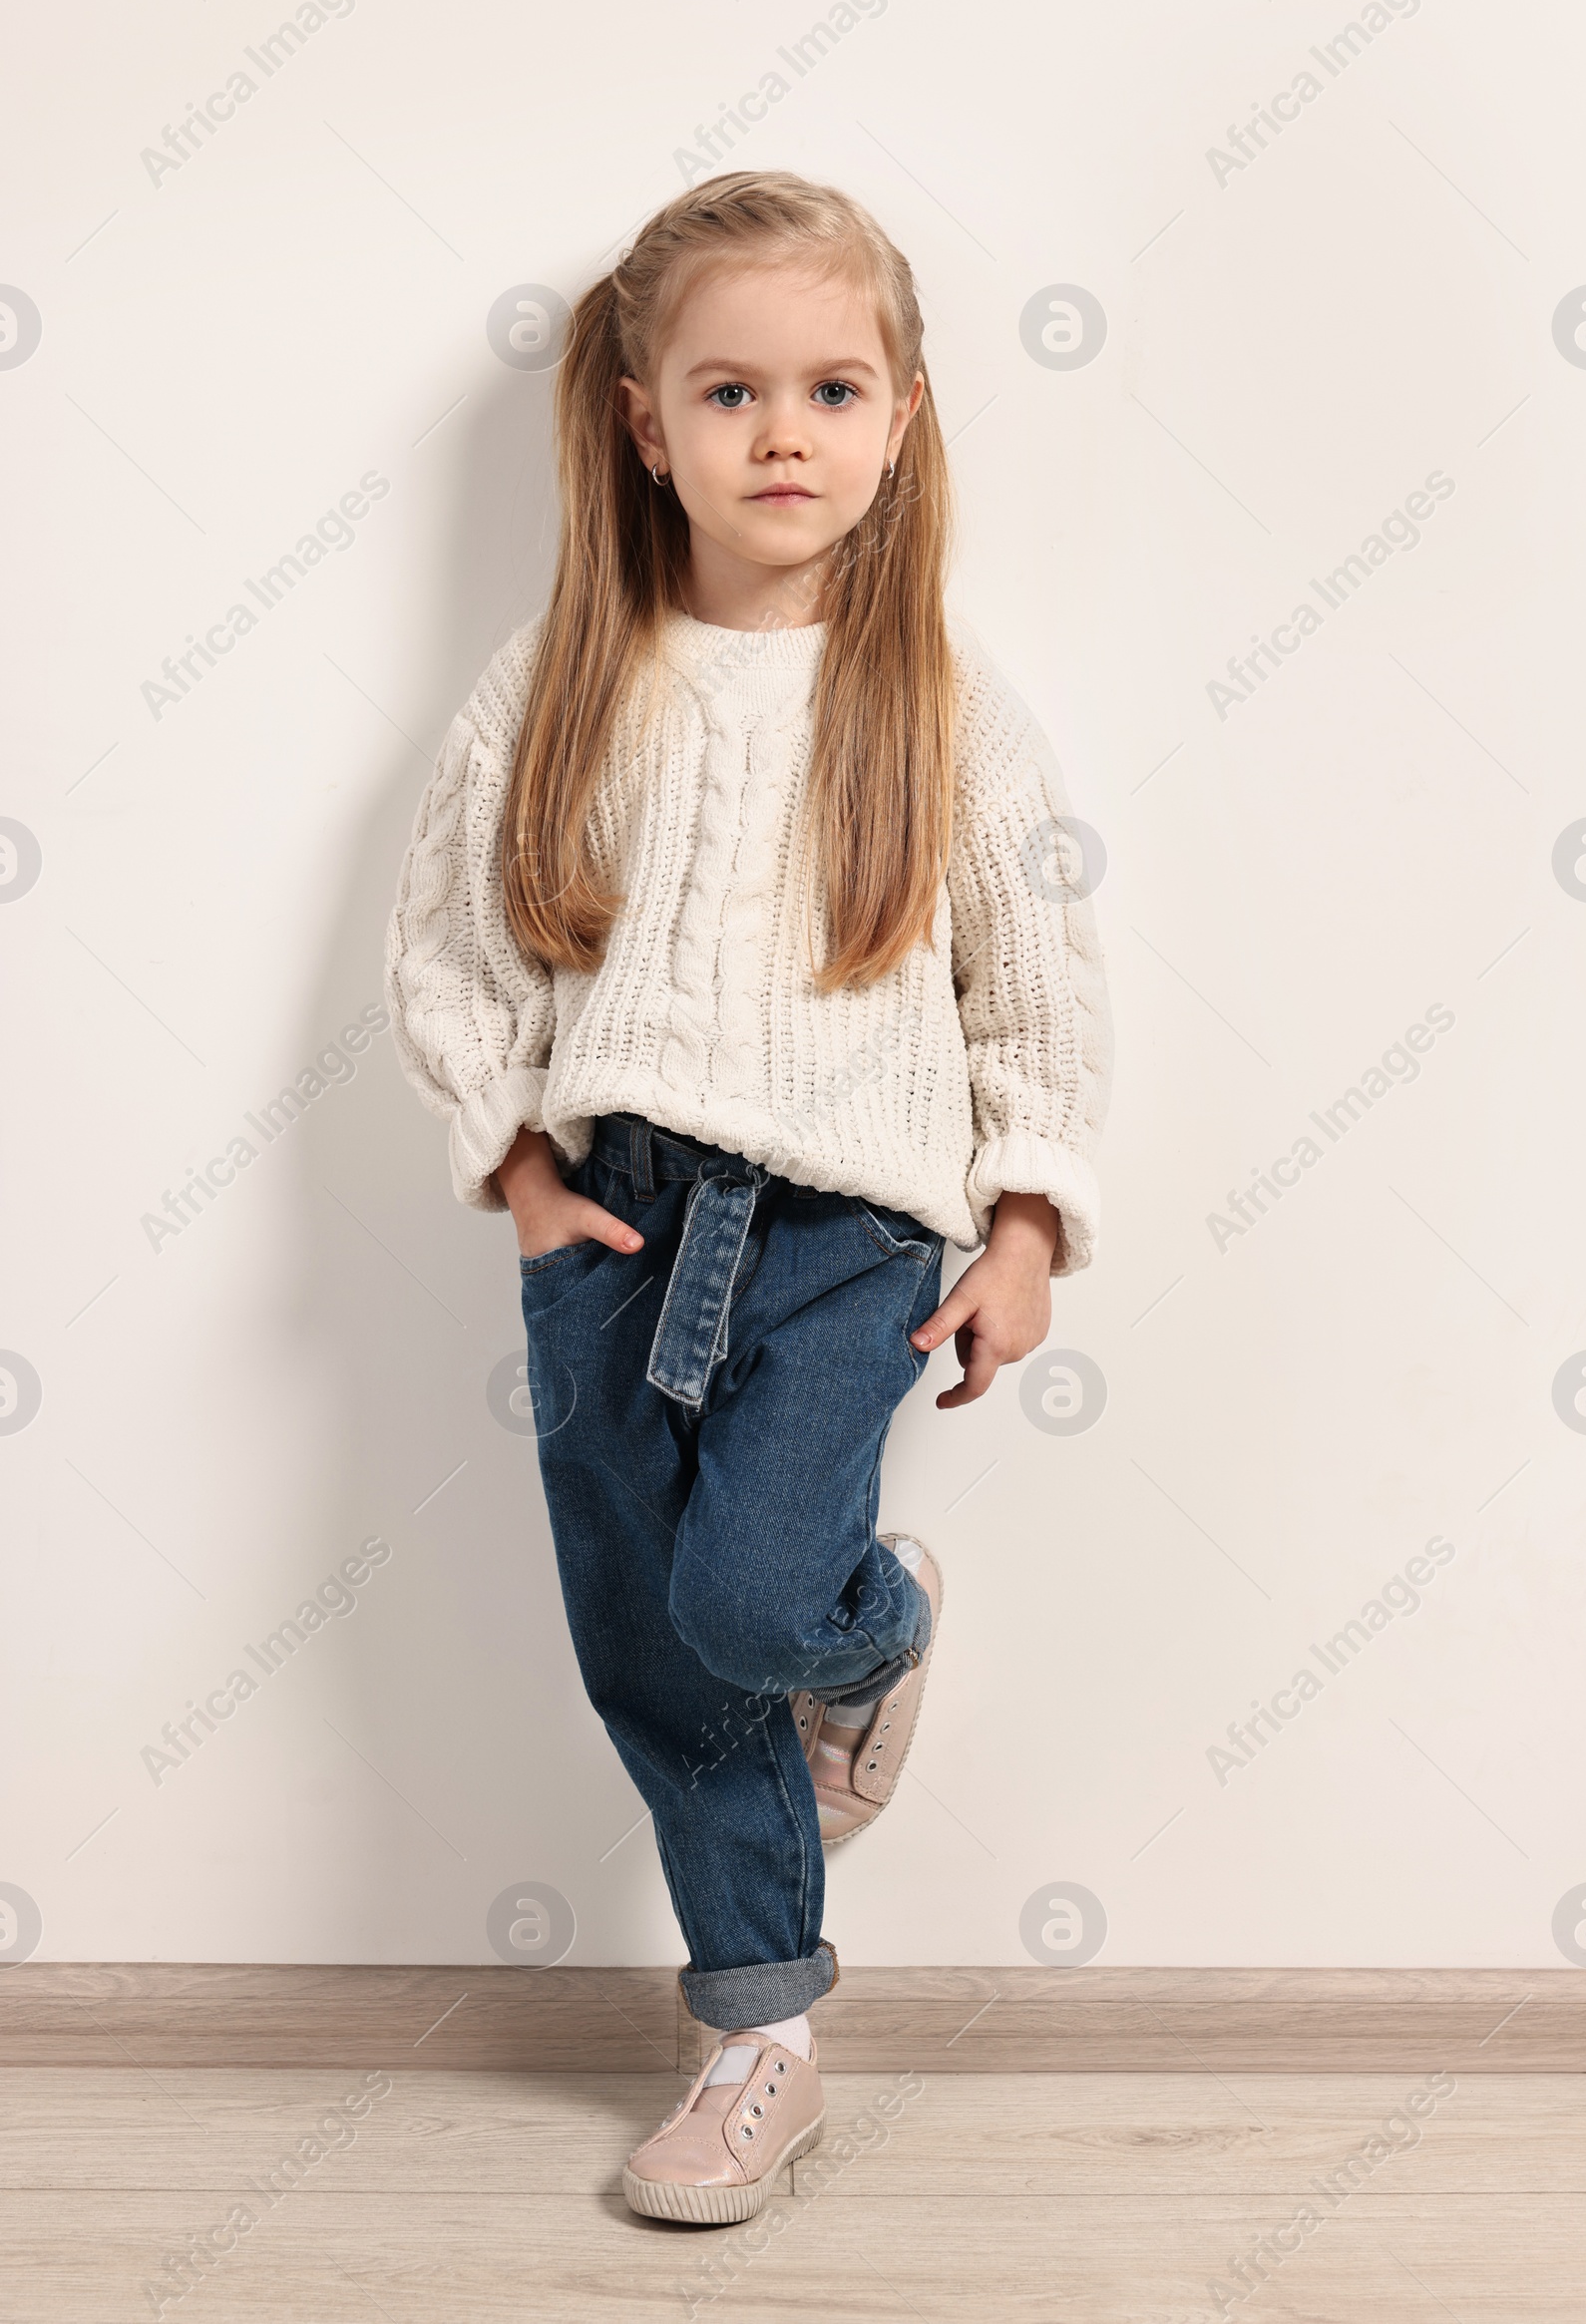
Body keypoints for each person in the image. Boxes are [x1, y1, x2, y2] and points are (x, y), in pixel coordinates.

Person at [385, 168, 1110, 2224]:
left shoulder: (945, 709)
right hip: (610, 1224)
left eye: (829, 388)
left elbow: (1034, 988)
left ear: (898, 420)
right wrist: (515, 1163)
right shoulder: (562, 678)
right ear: (644, 426)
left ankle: (861, 1639)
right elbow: (452, 942)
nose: (780, 433)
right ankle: (758, 2039)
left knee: (745, 1606)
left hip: (842, 1237)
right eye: (727, 392)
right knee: (646, 1642)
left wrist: (1027, 1224)